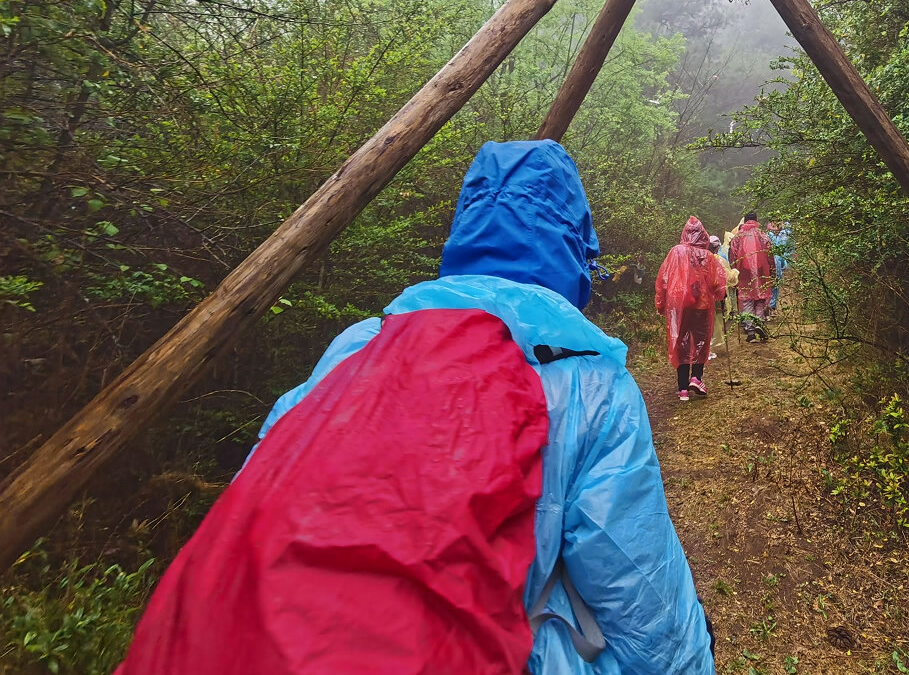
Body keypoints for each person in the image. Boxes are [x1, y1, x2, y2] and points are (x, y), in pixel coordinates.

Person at [116, 141, 714, 675]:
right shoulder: (590, 384)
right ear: (576, 248)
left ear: (464, 229)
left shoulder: (357, 345)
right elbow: (640, 597)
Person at [654, 216, 727, 401]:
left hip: (679, 306)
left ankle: (683, 389)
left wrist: (661, 304)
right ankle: (696, 378)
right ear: (703, 234)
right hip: (702, 306)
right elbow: (718, 282)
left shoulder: (675, 252)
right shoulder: (708, 256)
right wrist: (722, 296)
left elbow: (664, 280)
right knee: (700, 342)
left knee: (681, 343)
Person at [729, 211, 773, 342]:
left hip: (744, 272)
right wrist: (773, 273)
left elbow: (733, 257)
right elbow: (770, 255)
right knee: (760, 299)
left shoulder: (737, 237)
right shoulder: (763, 236)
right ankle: (759, 322)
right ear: (756, 220)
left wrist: (733, 273)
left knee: (747, 300)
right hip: (762, 272)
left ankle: (751, 332)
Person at [706, 235, 737, 357]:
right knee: (714, 321)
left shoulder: (700, 258)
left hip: (702, 296)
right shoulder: (718, 259)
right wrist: (735, 273)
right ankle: (708, 348)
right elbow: (727, 277)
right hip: (715, 295)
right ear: (717, 247)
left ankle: (704, 349)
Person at [767, 221, 793, 316]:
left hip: (767, 264)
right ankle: (772, 308)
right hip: (776, 263)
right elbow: (783, 251)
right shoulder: (785, 235)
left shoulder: (764, 236)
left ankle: (766, 309)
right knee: (774, 285)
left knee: (766, 285)